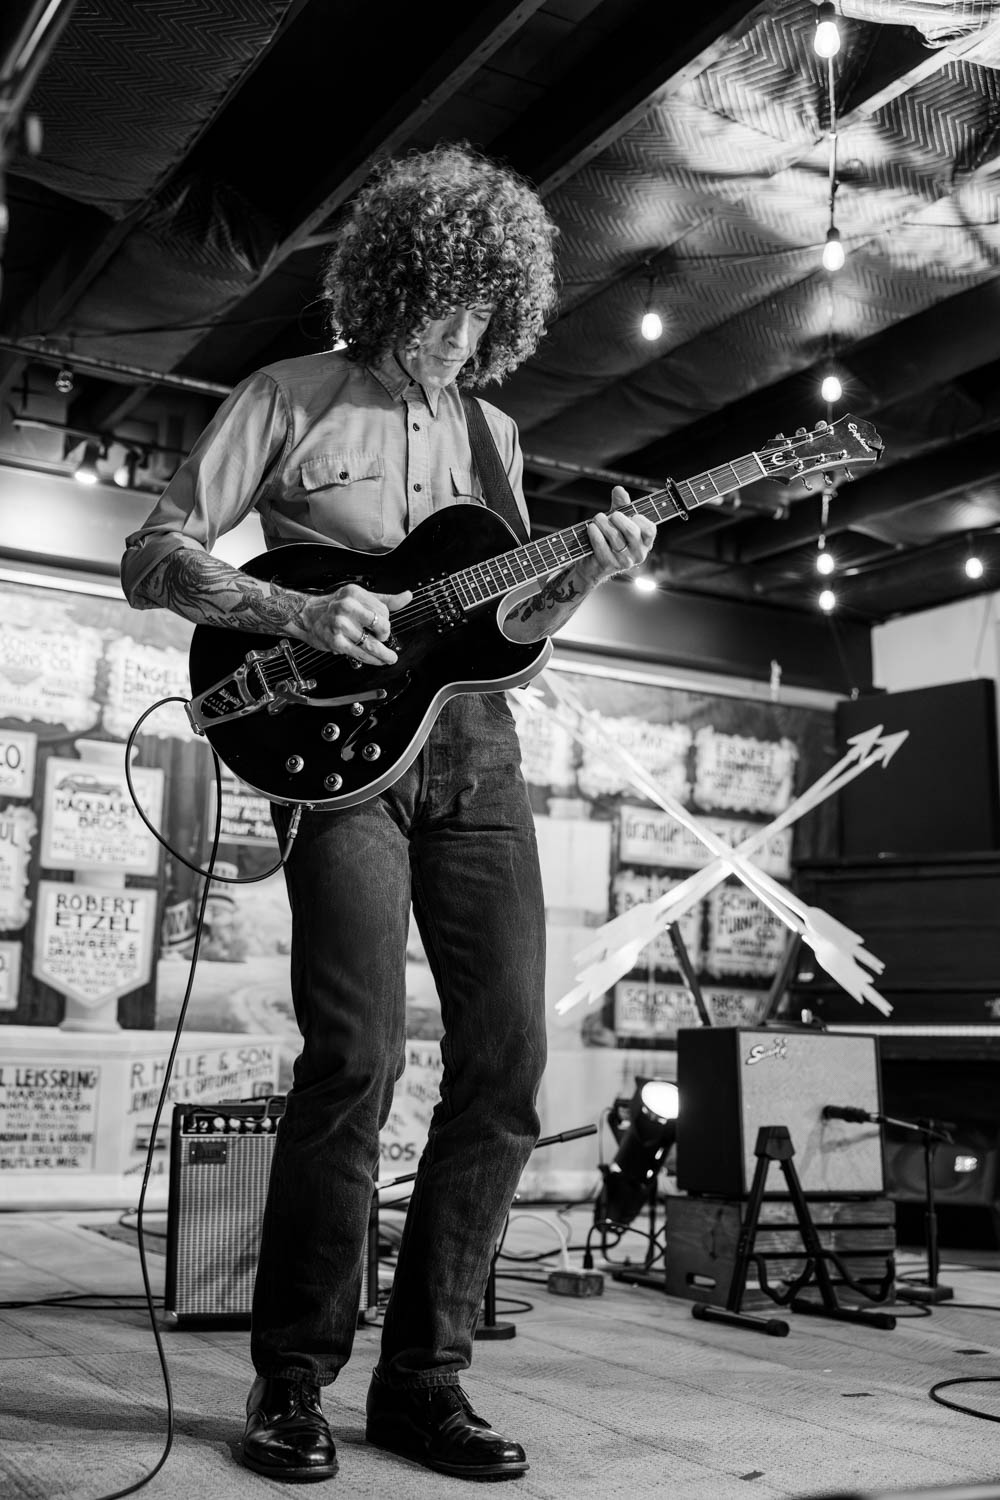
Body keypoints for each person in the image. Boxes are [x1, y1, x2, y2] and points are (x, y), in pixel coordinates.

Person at [120, 142, 655, 1484]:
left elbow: (511, 627)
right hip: (345, 761)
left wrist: (588, 571)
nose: (451, 329)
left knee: (506, 1067)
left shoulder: (499, 436)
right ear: (391, 279)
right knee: (351, 1061)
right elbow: (153, 551)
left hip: (477, 752)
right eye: (434, 296)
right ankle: (293, 1381)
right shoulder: (290, 393)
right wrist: (296, 606)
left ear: (506, 309)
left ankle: (427, 1382)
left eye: (480, 308)